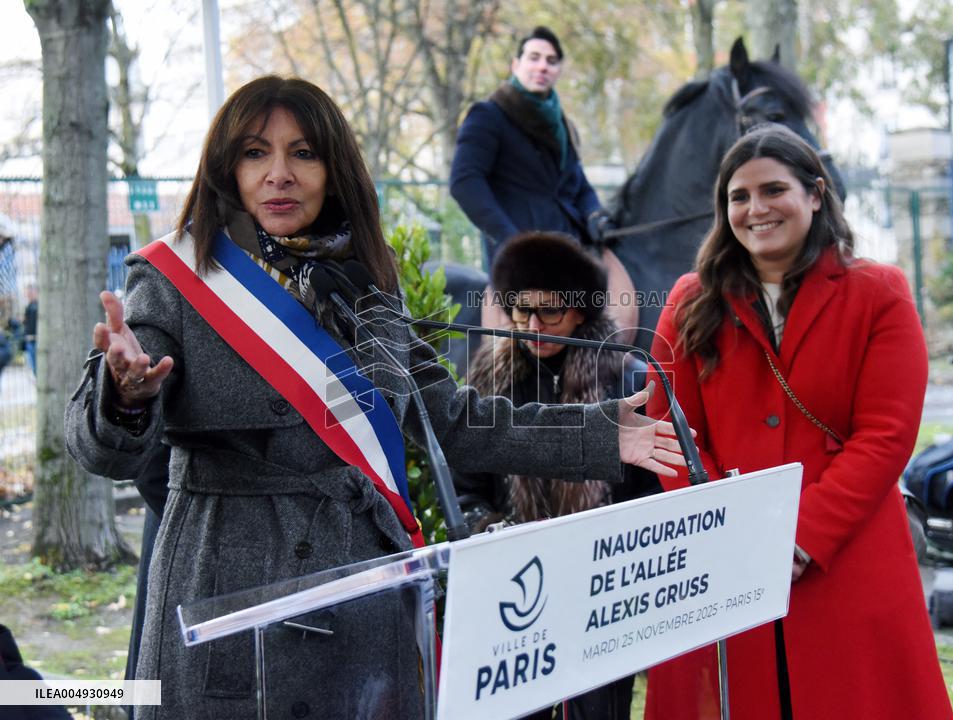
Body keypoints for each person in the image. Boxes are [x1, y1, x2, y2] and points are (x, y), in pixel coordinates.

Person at [63, 75, 684, 720]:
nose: (279, 173)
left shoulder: (366, 279)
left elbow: (450, 418)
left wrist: (597, 432)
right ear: (227, 168)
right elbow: (98, 446)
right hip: (234, 590)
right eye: (254, 152)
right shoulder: (176, 278)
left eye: (304, 153)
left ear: (335, 169)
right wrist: (124, 395)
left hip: (364, 588)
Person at [643, 124, 953, 719]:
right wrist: (727, 528)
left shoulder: (878, 292)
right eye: (738, 196)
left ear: (815, 193)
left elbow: (886, 435)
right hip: (723, 558)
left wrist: (802, 537)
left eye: (773, 190)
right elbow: (670, 431)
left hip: (847, 554)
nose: (755, 209)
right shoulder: (689, 300)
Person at [456, 231, 657, 719]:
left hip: (602, 586)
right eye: (520, 310)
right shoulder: (487, 380)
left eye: (549, 312)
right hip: (515, 586)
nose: (532, 326)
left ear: (581, 311)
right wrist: (491, 530)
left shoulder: (626, 377)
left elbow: (652, 491)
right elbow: (466, 489)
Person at [449, 26, 611, 269]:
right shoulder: (488, 115)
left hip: (574, 250)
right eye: (534, 58)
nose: (542, 66)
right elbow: (464, 183)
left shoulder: (565, 127)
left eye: (551, 61)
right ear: (516, 65)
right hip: (521, 263)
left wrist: (596, 216)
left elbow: (579, 187)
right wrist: (512, 241)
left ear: (558, 71)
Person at [22, 284, 37, 376]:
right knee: (33, 367)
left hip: (35, 339)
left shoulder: (36, 306)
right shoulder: (28, 306)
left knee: (37, 366)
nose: (28, 295)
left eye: (30, 292)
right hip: (29, 340)